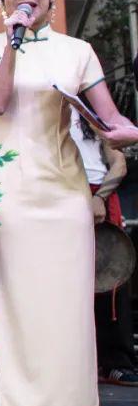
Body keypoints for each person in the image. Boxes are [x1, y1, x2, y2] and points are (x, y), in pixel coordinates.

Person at [0, 0, 136, 406]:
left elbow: (110, 121)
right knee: (23, 303)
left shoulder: (78, 51)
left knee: (68, 304)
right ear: (1, 0)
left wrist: (126, 134)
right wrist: (14, 45)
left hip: (65, 187)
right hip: (9, 189)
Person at [69, 108, 138, 387]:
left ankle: (116, 361)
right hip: (64, 192)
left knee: (111, 281)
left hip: (99, 193)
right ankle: (73, 361)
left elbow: (119, 164)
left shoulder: (91, 115)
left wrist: (99, 197)